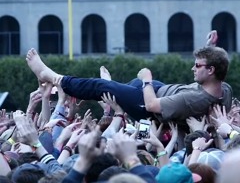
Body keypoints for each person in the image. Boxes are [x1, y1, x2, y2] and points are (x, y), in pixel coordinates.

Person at [25, 31, 232, 122]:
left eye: (197, 65)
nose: (192, 69)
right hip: (164, 91)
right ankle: (111, 92)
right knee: (129, 84)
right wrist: (210, 48)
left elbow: (152, 106)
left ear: (211, 70)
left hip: (149, 106)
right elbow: (216, 66)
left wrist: (147, 79)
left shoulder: (193, 99)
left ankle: (52, 76)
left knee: (100, 87)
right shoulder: (224, 89)